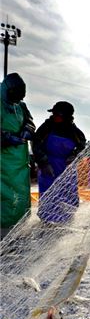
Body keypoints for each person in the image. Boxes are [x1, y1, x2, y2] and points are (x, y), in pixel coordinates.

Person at [32, 101, 86, 223]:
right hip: (48, 166)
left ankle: (67, 220)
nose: (54, 117)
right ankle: (47, 222)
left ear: (66, 116)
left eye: (57, 115)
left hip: (67, 168)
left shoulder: (74, 131)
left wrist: (74, 155)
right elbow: (36, 144)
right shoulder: (47, 127)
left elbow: (82, 146)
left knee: (67, 194)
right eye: (54, 114)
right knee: (48, 194)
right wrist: (43, 162)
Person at [1, 73, 35, 237]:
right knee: (5, 195)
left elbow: (30, 121)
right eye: (14, 97)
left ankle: (20, 227)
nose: (16, 101)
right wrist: (6, 138)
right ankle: (3, 230)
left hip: (19, 160)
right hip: (2, 159)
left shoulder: (21, 106)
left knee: (20, 193)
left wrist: (27, 130)